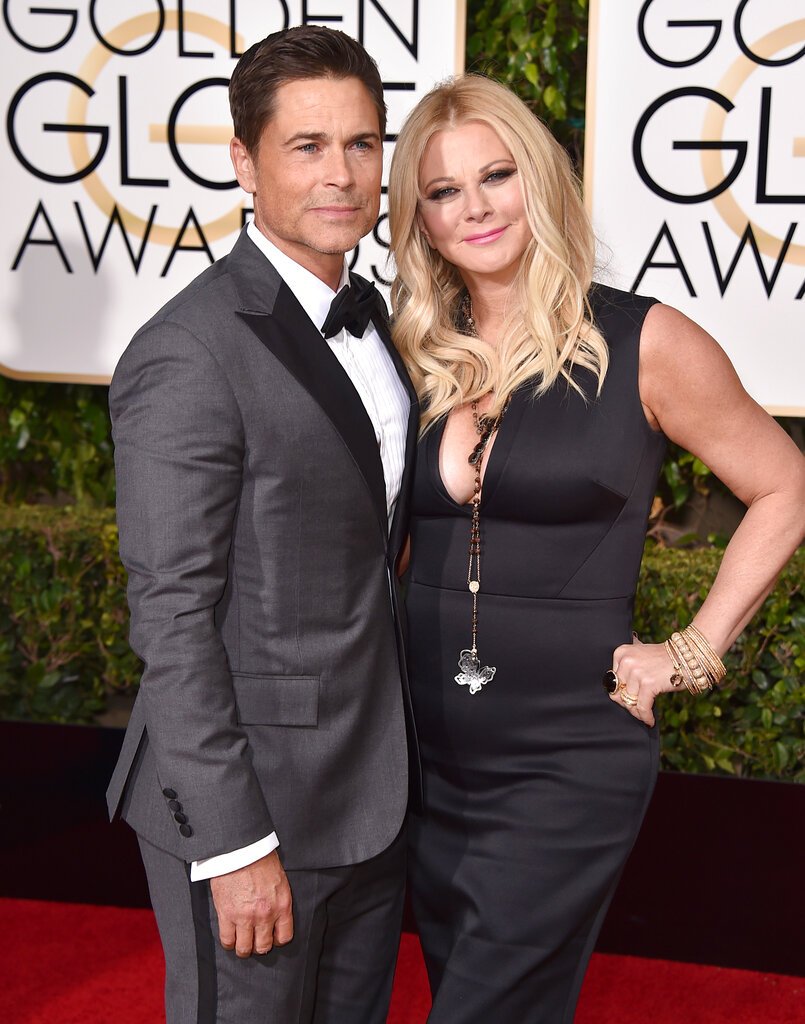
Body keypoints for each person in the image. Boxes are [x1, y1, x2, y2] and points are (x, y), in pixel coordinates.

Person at [387, 74, 805, 1023]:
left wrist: (692, 651)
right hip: (423, 749)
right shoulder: (412, 352)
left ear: (541, 180)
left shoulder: (644, 341)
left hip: (566, 755)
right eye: (444, 191)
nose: (474, 207)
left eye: (497, 175)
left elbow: (785, 485)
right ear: (421, 220)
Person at [106, 26, 420, 1024]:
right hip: (255, 806)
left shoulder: (378, 319)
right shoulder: (189, 351)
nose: (341, 175)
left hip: (374, 791)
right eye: (306, 146)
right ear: (244, 162)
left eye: (362, 144)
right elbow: (172, 617)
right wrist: (233, 842)